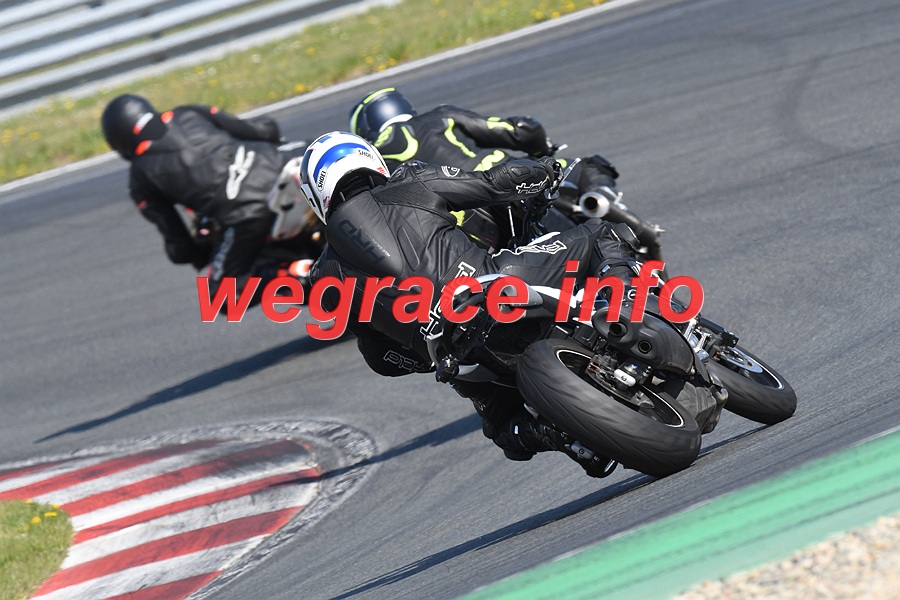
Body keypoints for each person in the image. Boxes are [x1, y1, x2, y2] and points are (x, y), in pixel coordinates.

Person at [299, 131, 696, 473]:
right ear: (371, 160)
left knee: (504, 428)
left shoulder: (323, 278)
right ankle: (621, 308)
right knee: (599, 233)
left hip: (453, 350)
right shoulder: (409, 181)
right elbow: (495, 183)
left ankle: (553, 434)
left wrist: (420, 353)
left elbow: (380, 358)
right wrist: (544, 172)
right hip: (496, 285)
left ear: (317, 194)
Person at [348, 87, 663, 260]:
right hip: (515, 185)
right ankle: (599, 199)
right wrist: (541, 148)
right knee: (588, 164)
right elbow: (523, 129)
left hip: (469, 231)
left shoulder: (375, 163)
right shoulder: (438, 117)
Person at [100, 93, 322, 308]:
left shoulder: (140, 178)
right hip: (290, 161)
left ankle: (299, 274)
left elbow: (180, 246)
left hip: (248, 213)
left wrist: (200, 251)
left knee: (222, 295)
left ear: (119, 142)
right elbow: (263, 129)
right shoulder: (188, 112)